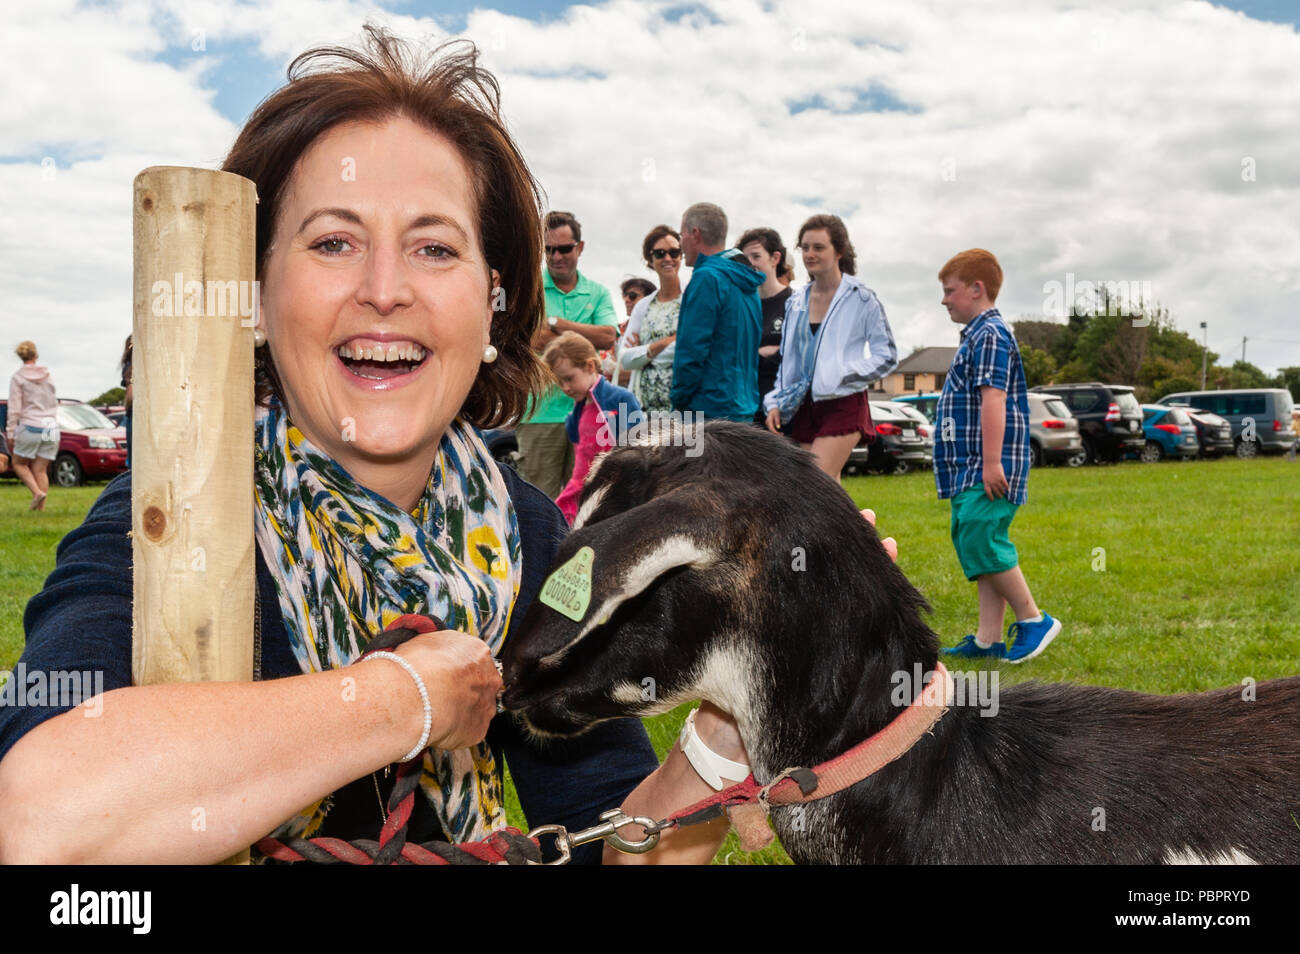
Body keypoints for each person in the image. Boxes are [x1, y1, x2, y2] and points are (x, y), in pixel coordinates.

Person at [0, 29, 745, 866]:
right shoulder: (164, 521)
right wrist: (406, 701)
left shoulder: (532, 536)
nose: (384, 292)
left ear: (493, 305)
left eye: (434, 248)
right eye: (332, 243)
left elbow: (614, 842)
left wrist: (721, 737)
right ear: (256, 296)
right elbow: (42, 825)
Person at [933, 249, 1061, 664]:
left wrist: (992, 462)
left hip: (985, 465)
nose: (945, 300)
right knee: (975, 540)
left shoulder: (990, 335)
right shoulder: (976, 335)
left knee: (982, 536)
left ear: (976, 289)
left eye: (950, 291)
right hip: (969, 464)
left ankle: (1033, 619)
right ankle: (989, 639)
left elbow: (995, 400)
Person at [763, 215, 898, 480]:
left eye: (819, 247)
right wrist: (774, 402)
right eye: (805, 247)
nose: (810, 254)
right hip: (803, 405)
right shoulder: (796, 302)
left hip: (844, 402)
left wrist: (844, 373)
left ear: (840, 251)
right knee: (828, 491)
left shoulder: (861, 299)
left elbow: (887, 355)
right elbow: (788, 360)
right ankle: (855, 523)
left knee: (813, 484)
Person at [516, 210, 619, 498]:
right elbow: (524, 337)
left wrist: (557, 325)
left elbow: (608, 335)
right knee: (538, 503)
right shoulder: (529, 290)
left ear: (580, 247)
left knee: (589, 501)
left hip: (590, 413)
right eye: (548, 250)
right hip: (539, 415)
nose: (556, 256)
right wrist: (584, 335)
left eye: (563, 248)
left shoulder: (597, 292)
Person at [670, 202, 763, 422]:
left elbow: (692, 349)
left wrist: (678, 400)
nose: (680, 243)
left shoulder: (706, 278)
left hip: (707, 411)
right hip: (743, 408)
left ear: (695, 234)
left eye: (681, 235)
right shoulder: (748, 284)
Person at [545, 333, 642, 525]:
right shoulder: (578, 408)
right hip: (581, 485)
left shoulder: (620, 399)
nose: (565, 387)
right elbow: (576, 443)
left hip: (613, 484)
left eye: (569, 378)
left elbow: (638, 444)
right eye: (560, 382)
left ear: (590, 366)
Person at [619, 225, 684, 416]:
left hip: (680, 410)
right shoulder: (643, 305)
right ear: (650, 259)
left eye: (674, 252)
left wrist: (643, 354)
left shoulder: (691, 298)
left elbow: (687, 349)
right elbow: (626, 358)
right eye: (660, 253)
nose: (668, 259)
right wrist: (667, 341)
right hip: (644, 409)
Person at [737, 227, 793, 427]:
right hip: (744, 411)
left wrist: (775, 354)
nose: (750, 263)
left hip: (781, 413)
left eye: (756, 256)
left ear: (775, 258)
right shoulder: (739, 306)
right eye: (745, 258)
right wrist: (760, 353)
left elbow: (797, 357)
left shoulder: (794, 303)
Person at [6, 340, 59, 511]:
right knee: (40, 469)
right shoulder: (48, 376)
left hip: (30, 426)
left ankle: (37, 492)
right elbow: (53, 401)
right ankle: (41, 509)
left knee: (19, 464)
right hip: (50, 426)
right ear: (35, 355)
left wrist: (11, 432)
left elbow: (14, 408)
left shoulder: (18, 377)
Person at [120, 335, 133, 470]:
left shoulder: (130, 366)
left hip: (134, 413)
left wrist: (127, 405)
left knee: (133, 454)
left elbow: (131, 393)